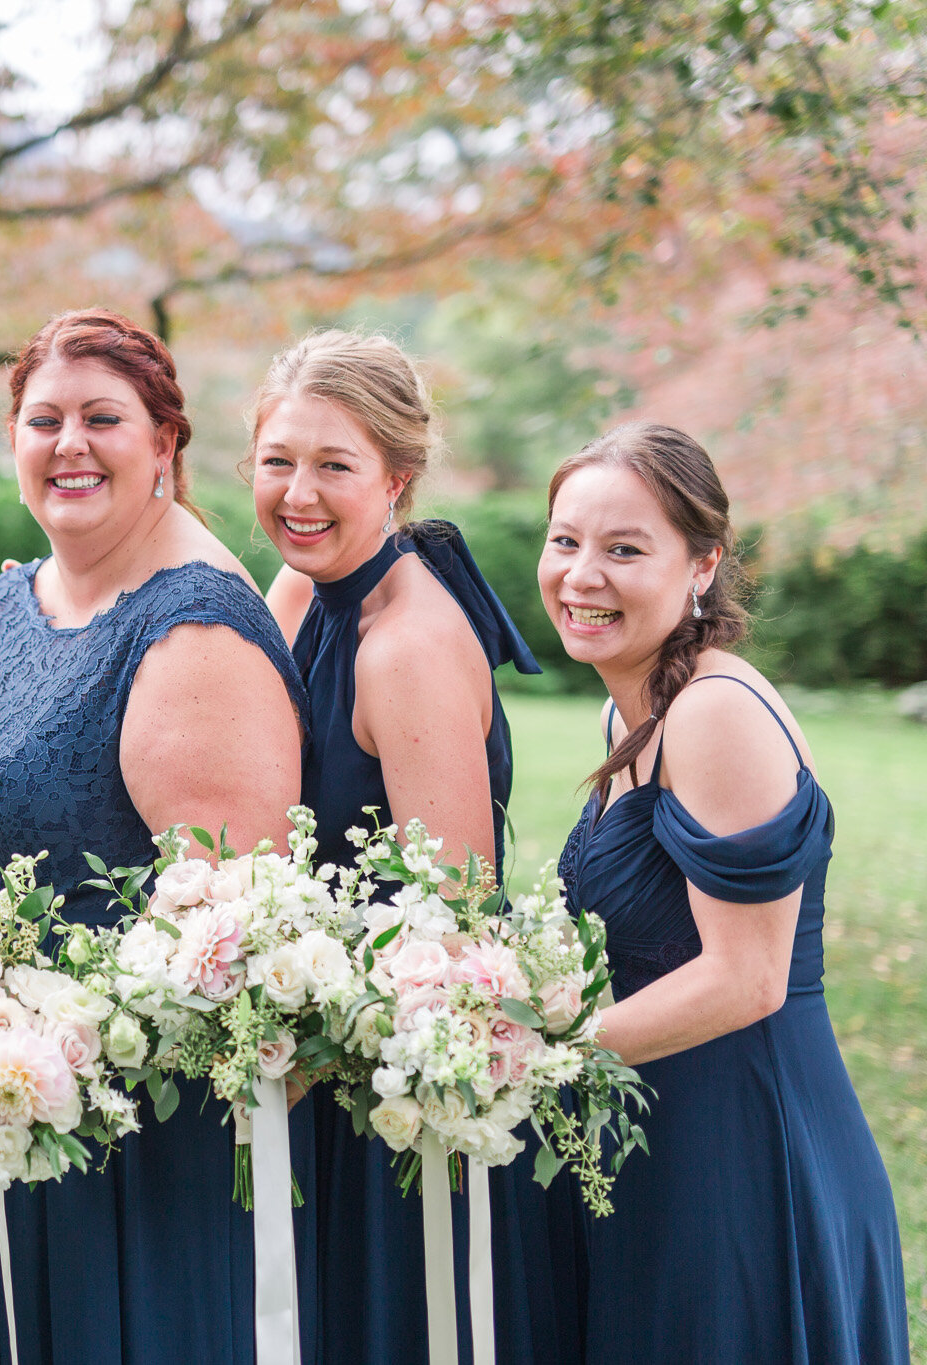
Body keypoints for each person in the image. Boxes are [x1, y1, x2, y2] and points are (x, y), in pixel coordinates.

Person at [0, 307, 311, 1365]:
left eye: (102, 418)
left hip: (127, 1127)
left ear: (163, 446)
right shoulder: (0, 606)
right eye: (41, 420)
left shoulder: (193, 627)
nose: (68, 445)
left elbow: (220, 939)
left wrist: (36, 1049)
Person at [247, 330, 580, 1365]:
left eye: (333, 466)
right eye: (277, 460)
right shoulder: (299, 588)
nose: (298, 493)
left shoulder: (408, 646)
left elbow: (453, 921)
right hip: (299, 1049)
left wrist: (308, 1024)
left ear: (394, 478)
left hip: (381, 1083)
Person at [544, 422, 908, 1364]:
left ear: (702, 565)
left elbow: (749, 978)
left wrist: (533, 1051)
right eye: (566, 540)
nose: (583, 574)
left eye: (625, 549)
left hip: (746, 1151)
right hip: (658, 1145)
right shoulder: (630, 707)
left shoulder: (713, 711)